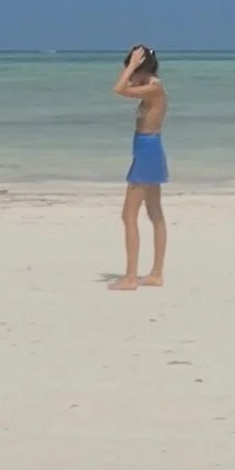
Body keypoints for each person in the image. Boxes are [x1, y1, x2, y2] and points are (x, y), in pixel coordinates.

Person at [108, 45, 168, 291]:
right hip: (148, 148)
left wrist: (132, 64)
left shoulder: (154, 88)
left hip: (147, 150)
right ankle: (156, 274)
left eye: (133, 70)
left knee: (129, 215)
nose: (130, 75)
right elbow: (125, 85)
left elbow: (118, 89)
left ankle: (131, 277)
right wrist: (131, 67)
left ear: (143, 69)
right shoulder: (151, 86)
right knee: (154, 213)